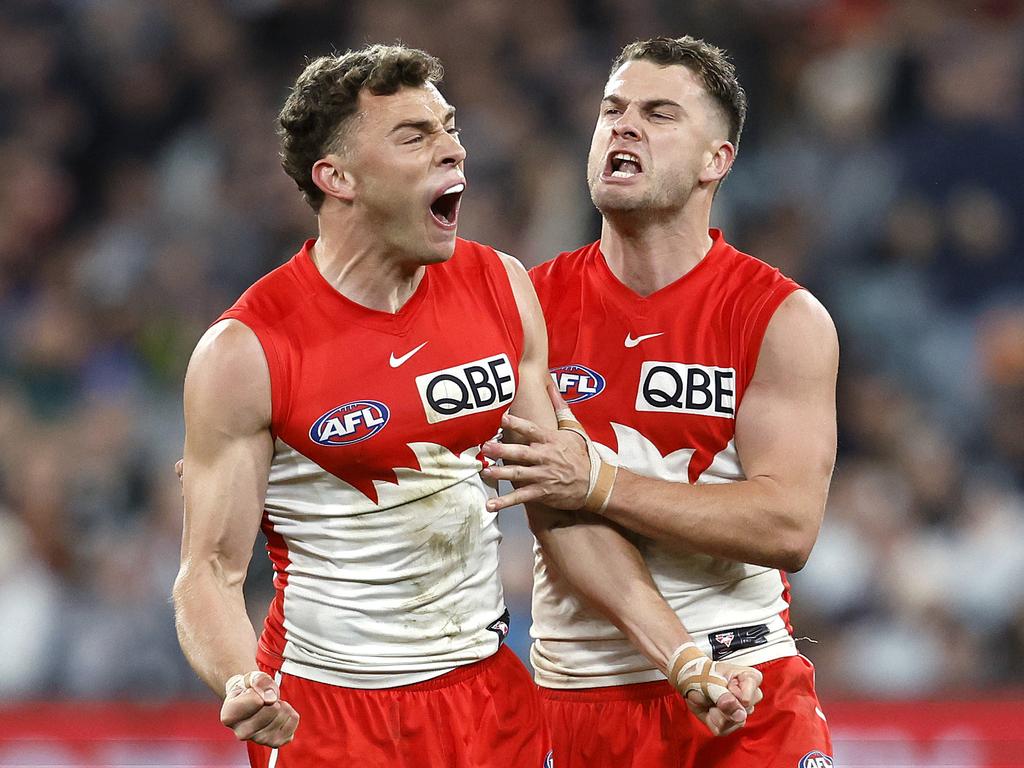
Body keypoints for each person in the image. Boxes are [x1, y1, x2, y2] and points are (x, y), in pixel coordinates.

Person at [172, 43, 759, 767]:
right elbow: (209, 573)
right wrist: (240, 680)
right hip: (328, 716)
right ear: (337, 177)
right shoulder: (247, 350)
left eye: (449, 127)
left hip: (492, 706)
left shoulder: (501, 289)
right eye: (415, 136)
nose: (454, 149)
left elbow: (560, 509)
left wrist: (683, 660)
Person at [482, 36, 839, 768]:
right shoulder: (526, 310)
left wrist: (601, 483)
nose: (623, 126)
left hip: (747, 691)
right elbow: (556, 512)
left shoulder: (780, 317)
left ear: (718, 160)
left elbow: (788, 525)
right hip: (577, 701)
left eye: (659, 113)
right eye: (611, 110)